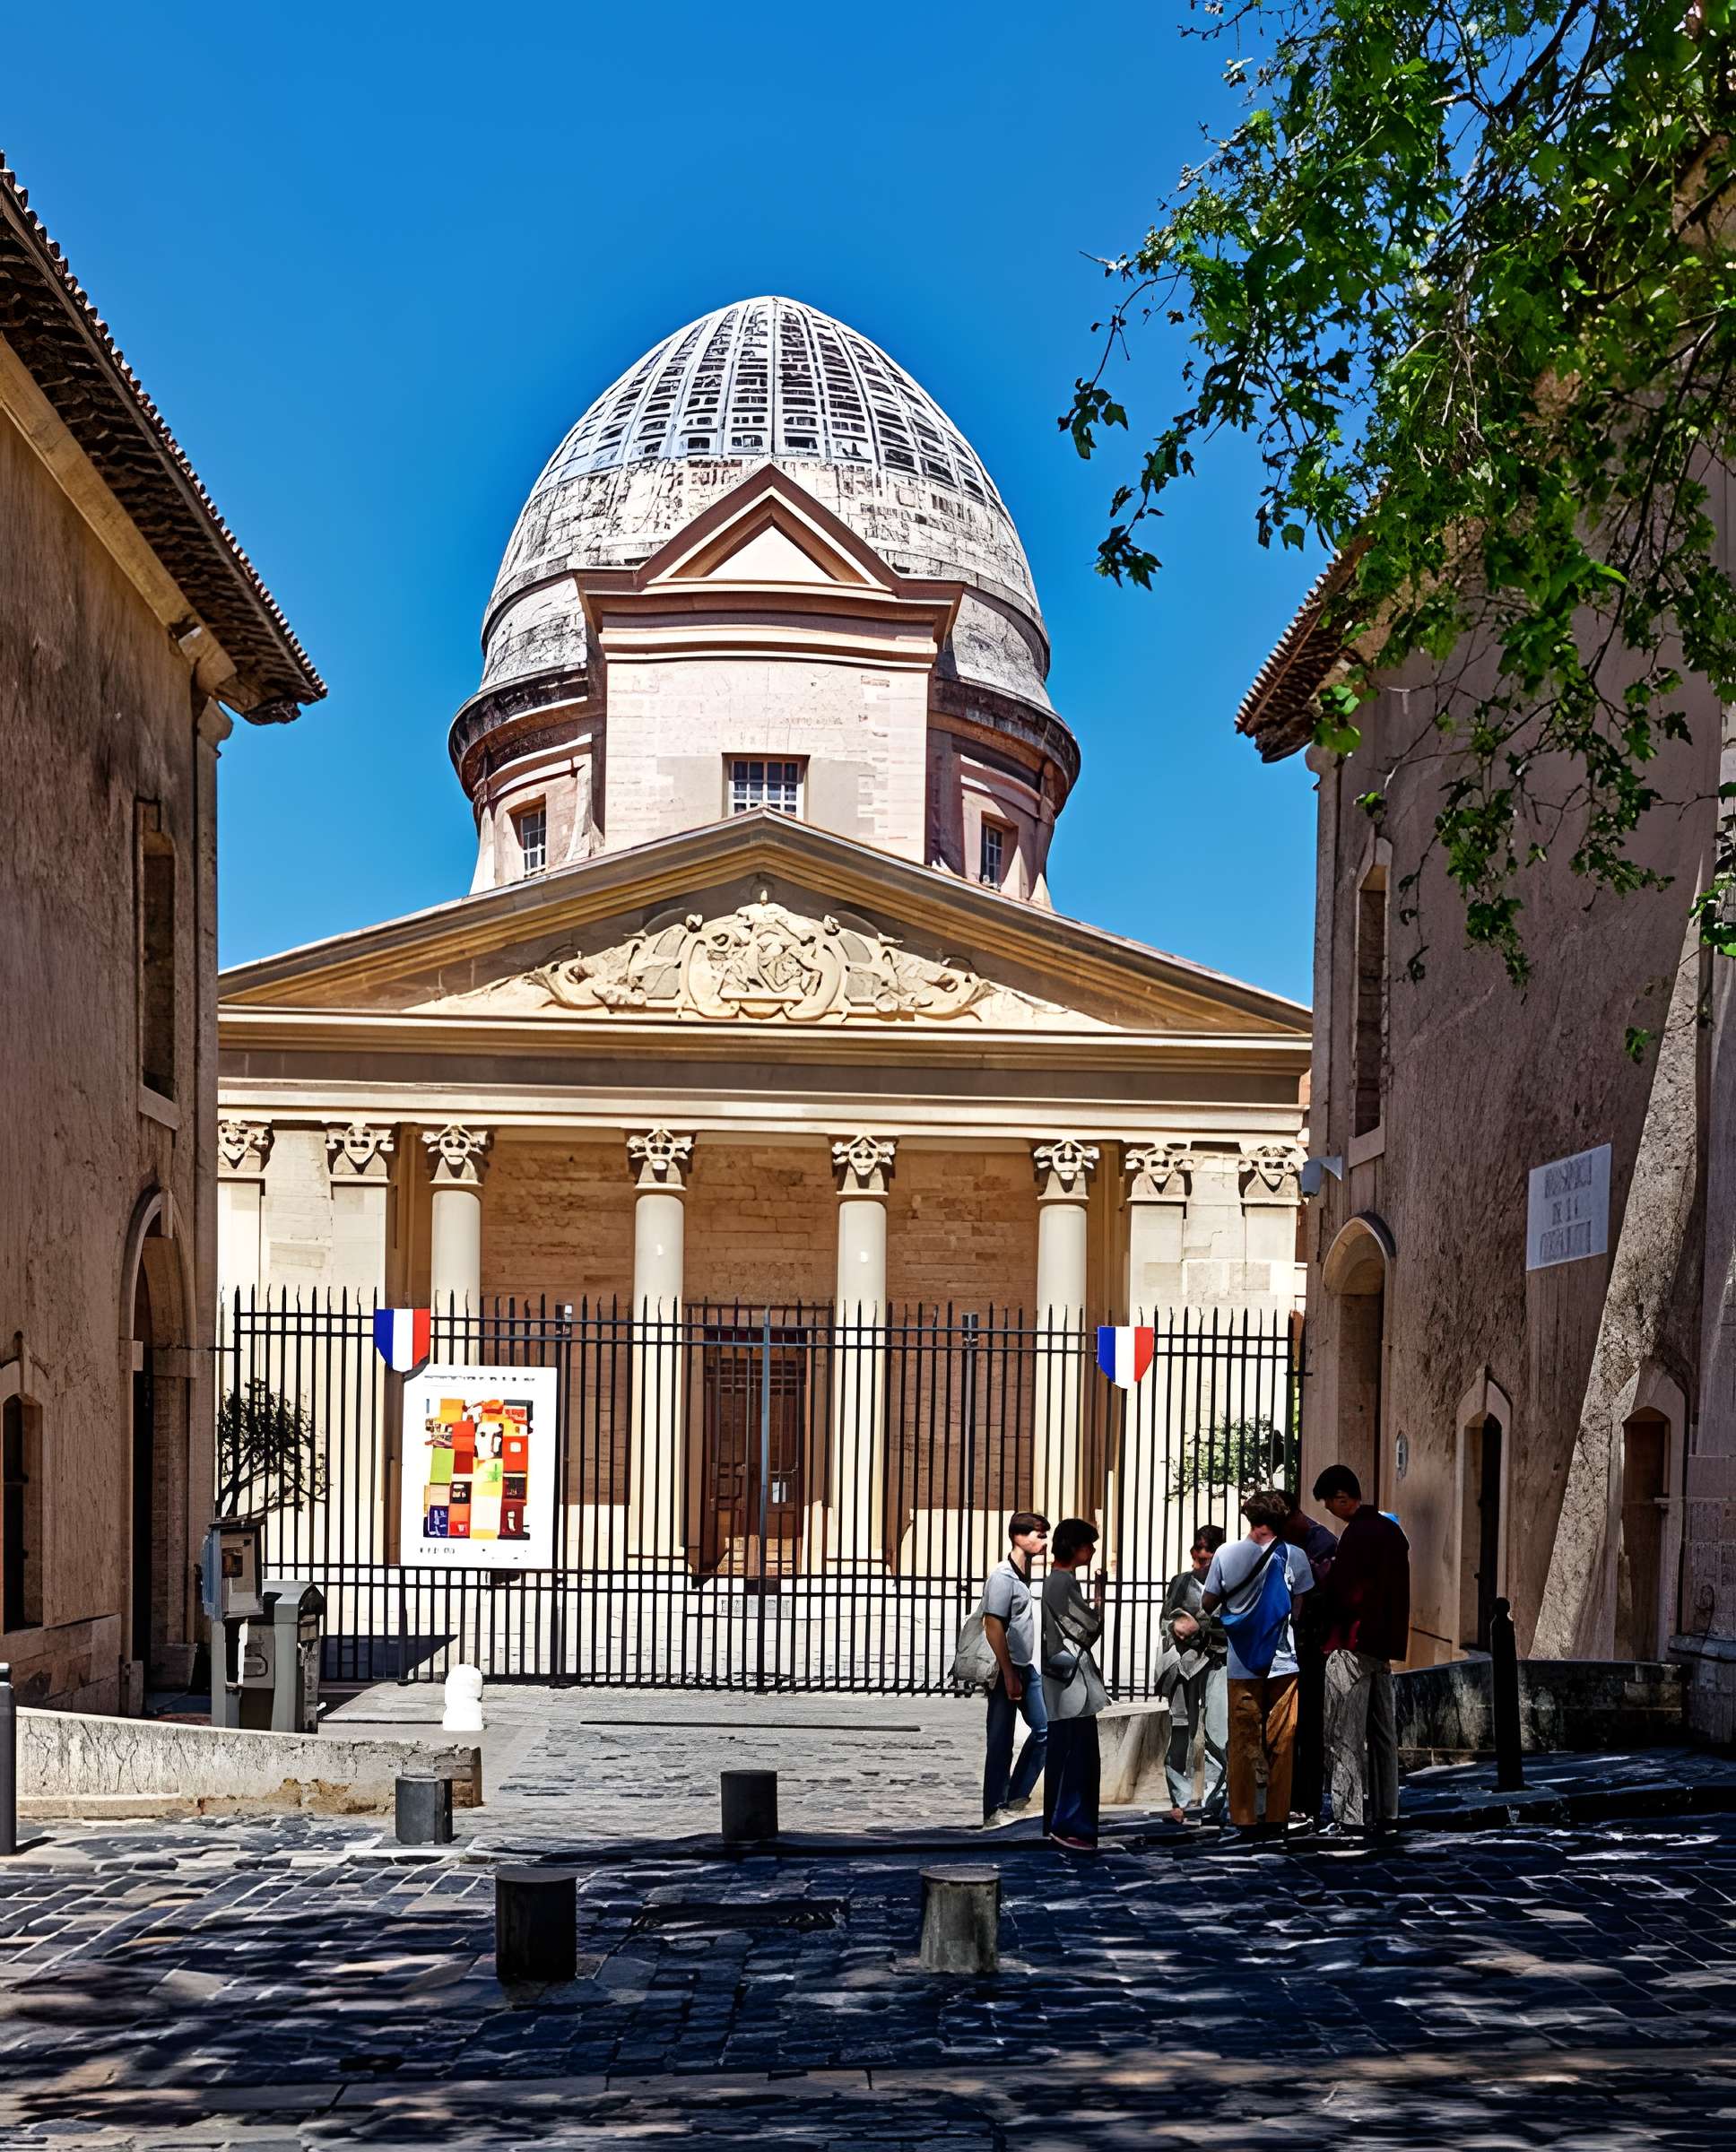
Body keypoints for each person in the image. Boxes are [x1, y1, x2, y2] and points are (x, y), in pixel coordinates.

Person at [1201, 1488, 1314, 1842]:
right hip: (1283, 1663)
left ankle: (1245, 1817)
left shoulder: (1226, 1553)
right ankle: (1276, 1816)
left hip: (1241, 1662)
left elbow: (1207, 1603)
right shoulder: (1294, 1555)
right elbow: (1298, 1610)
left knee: (1243, 1739)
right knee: (1282, 1741)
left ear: (1250, 1518)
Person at [1312, 1464, 1410, 1840]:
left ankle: (1349, 1814)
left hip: (1350, 1645)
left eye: (1331, 1505)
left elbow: (1344, 1595)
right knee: (1384, 1734)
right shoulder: (1391, 1531)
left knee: (1345, 1735)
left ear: (1342, 1497)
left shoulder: (1357, 1536)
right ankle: (1389, 1811)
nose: (1332, 1513)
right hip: (1382, 1646)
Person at [979, 1511, 1051, 1827]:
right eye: (1038, 1534)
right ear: (1019, 1536)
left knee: (1046, 1730)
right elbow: (993, 1624)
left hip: (1026, 1668)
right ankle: (994, 1808)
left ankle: (1014, 1796)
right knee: (1000, 1740)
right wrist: (1008, 1672)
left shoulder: (1024, 1575)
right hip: (1006, 1669)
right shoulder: (1002, 1576)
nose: (1044, 1541)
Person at [1041, 1516, 1107, 1850]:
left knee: (1067, 1754)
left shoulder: (1057, 1581)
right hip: (1070, 1683)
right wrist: (1098, 1603)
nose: (1092, 1550)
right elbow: (1088, 1628)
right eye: (1088, 1545)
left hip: (1063, 1682)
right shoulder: (1062, 1583)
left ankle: (1061, 1821)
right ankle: (1071, 1824)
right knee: (1077, 1758)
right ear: (1075, 1548)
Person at [1160, 1523, 1228, 1824]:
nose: (1200, 1564)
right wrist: (1175, 1627)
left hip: (1215, 1663)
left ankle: (1214, 1800)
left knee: (1216, 1734)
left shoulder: (1229, 1584)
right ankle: (1181, 1798)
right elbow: (1165, 1618)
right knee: (1179, 1731)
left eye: (1207, 1559)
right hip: (1182, 1665)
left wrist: (1200, 1626)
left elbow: (1229, 1625)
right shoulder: (1180, 1583)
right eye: (1197, 1557)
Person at [1280, 1488, 1339, 1826]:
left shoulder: (1321, 1544)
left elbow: (1319, 1599)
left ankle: (1306, 1799)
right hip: (1295, 1648)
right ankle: (1289, 1797)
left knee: (1308, 1728)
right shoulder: (1296, 1543)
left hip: (1312, 1650)